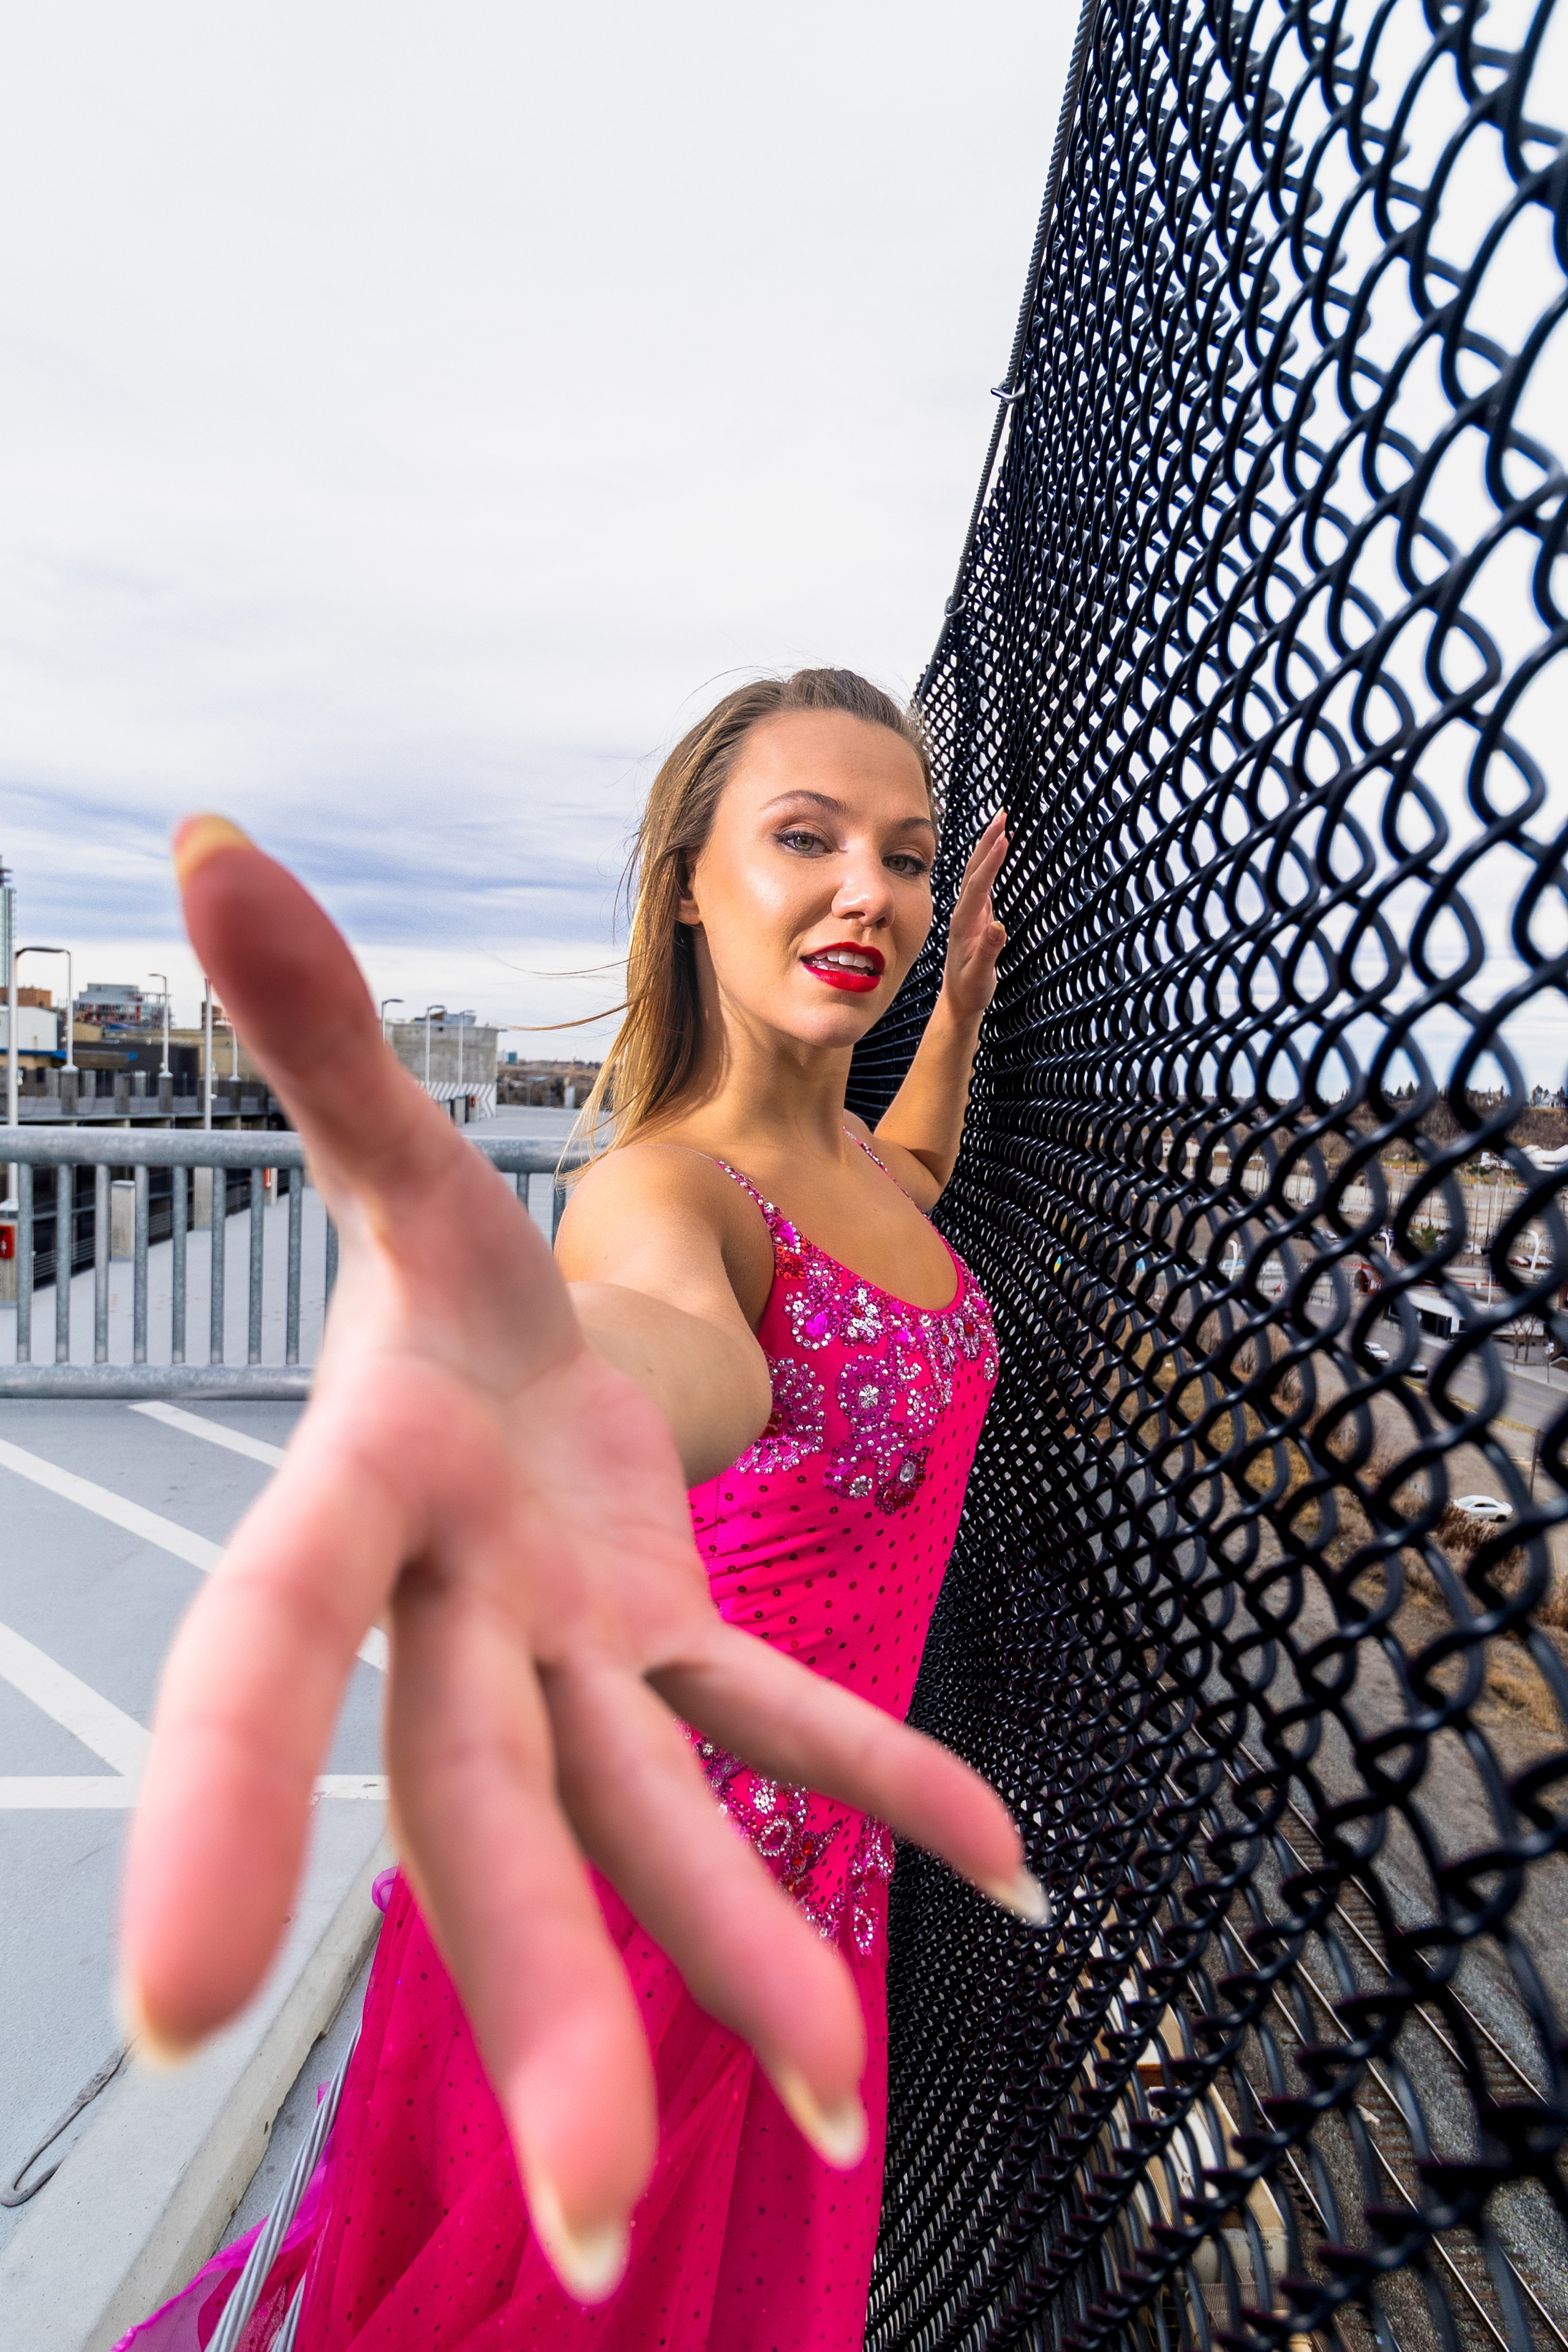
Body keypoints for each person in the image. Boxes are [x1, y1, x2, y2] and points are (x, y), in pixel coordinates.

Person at [118, 668, 1044, 2351]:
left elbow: (907, 1175)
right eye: (805, 838)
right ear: (693, 882)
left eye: (905, 856)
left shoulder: (848, 1166)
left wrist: (966, 1014)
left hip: (806, 1909)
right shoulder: (661, 1194)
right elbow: (674, 1353)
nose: (868, 892)